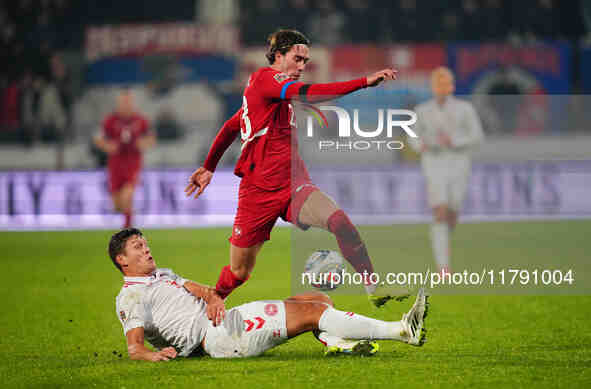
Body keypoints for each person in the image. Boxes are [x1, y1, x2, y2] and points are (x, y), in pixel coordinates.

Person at [185, 29, 404, 310]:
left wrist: (208, 166)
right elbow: (308, 94)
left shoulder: (266, 96)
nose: (302, 67)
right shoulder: (265, 79)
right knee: (239, 272)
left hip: (293, 184)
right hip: (257, 192)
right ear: (278, 55)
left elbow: (232, 126)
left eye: (305, 61)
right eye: (297, 59)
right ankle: (211, 302)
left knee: (340, 222)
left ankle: (374, 287)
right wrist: (363, 82)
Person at [110, 228, 428, 361]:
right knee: (314, 313)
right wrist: (154, 355)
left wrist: (212, 297)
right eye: (138, 246)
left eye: (145, 242)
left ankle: (336, 342)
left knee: (319, 301)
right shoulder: (130, 298)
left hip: (224, 321)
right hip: (214, 338)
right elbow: (134, 347)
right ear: (122, 260)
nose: (147, 248)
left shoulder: (163, 274)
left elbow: (201, 290)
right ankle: (401, 330)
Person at [410, 67, 485, 274]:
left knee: (451, 213)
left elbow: (477, 136)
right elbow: (412, 135)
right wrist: (419, 145)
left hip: (459, 163)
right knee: (440, 210)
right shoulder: (422, 110)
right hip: (433, 163)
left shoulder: (465, 109)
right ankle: (443, 267)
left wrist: (455, 141)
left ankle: (438, 235)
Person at [94, 90, 156, 228]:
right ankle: (127, 222)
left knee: (127, 196)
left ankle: (127, 231)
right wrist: (108, 146)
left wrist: (143, 144)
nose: (126, 105)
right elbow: (98, 138)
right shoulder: (110, 121)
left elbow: (151, 138)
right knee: (117, 205)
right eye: (123, 102)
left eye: (128, 102)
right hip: (115, 165)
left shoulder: (140, 121)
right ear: (119, 103)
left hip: (132, 163)